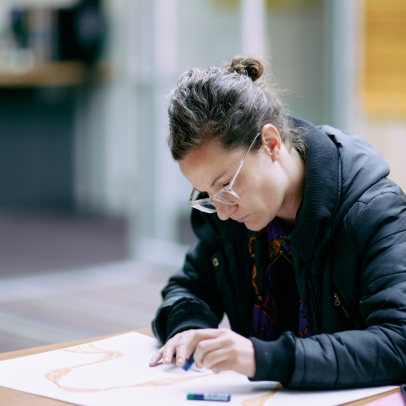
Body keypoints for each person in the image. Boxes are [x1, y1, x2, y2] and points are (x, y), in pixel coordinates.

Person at [148, 56, 406, 389]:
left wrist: (263, 358)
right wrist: (188, 327)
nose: (223, 212)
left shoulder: (372, 211)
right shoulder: (230, 216)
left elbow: (398, 342)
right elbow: (188, 286)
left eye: (226, 185)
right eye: (208, 195)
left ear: (270, 143)